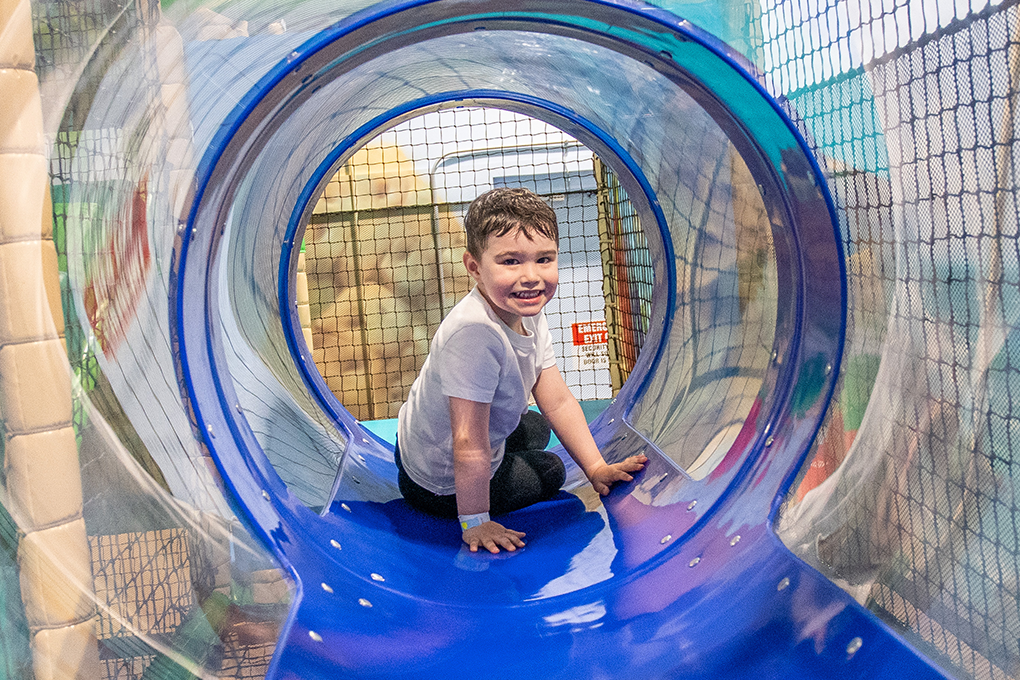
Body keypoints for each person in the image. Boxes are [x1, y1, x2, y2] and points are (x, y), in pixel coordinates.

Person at [395, 187, 647, 554]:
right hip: (437, 483)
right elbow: (468, 442)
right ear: (474, 268)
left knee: (538, 426)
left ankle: (507, 463)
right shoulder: (475, 335)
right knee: (550, 470)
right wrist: (476, 522)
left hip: (424, 441)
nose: (531, 275)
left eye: (544, 259)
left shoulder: (526, 307)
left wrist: (596, 467)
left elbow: (556, 399)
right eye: (510, 261)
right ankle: (469, 505)